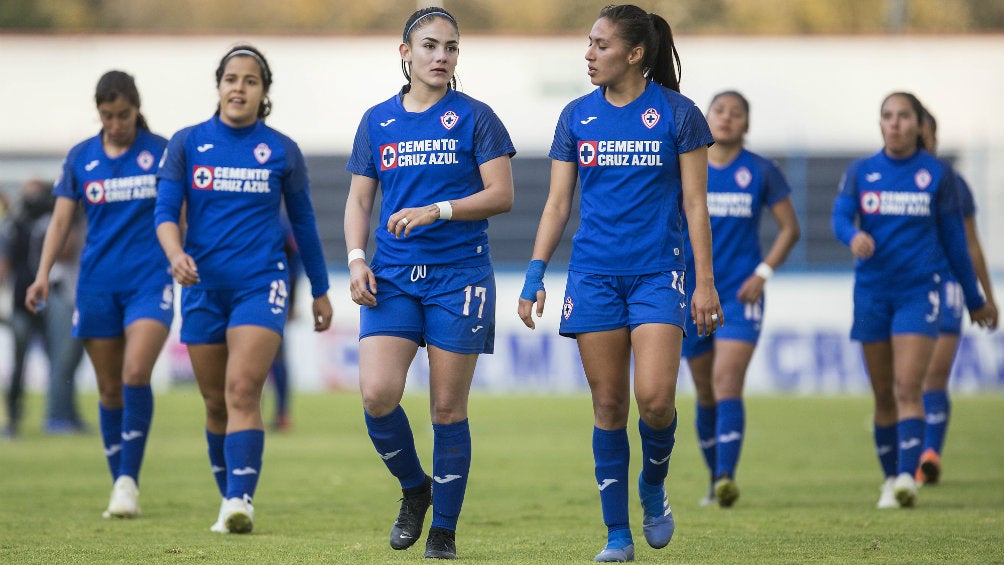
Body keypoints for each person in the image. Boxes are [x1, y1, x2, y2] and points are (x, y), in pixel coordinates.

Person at [518, 5, 721, 561]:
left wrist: (705, 283)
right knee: (608, 406)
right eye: (589, 43)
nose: (588, 54)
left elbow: (697, 204)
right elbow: (559, 203)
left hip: (660, 273)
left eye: (601, 45)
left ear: (635, 54)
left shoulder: (678, 115)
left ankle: (652, 488)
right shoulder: (575, 117)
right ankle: (617, 536)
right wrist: (535, 275)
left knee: (654, 402)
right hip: (594, 276)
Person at [344, 6, 515, 559]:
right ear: (406, 54)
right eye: (430, 46)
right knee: (377, 395)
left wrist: (437, 209)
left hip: (459, 276)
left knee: (447, 408)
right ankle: (415, 490)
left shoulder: (475, 117)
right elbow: (359, 198)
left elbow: (501, 195)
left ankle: (444, 530)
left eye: (451, 48)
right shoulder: (377, 121)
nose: (441, 56)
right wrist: (354, 259)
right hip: (391, 275)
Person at [154, 44, 332, 534]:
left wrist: (319, 289)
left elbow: (305, 224)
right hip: (202, 288)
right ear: (218, 86)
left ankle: (239, 499)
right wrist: (175, 255)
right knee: (214, 403)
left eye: (250, 81)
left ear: (264, 92)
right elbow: (165, 212)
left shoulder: (281, 150)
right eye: (231, 78)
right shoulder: (187, 143)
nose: (239, 87)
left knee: (242, 389)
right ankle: (229, 496)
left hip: (262, 284)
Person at [831, 92, 994, 509]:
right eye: (887, 116)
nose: (895, 123)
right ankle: (890, 478)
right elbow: (839, 215)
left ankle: (907, 476)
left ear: (918, 124)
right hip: (871, 294)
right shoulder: (861, 171)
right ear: (880, 123)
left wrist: (976, 297)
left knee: (909, 387)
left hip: (918, 294)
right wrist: (854, 236)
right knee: (883, 394)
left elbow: (957, 242)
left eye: (904, 116)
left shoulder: (937, 175)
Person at [25, 70, 170, 518]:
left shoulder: (162, 152)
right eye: (106, 115)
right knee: (108, 390)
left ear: (136, 109)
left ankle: (128, 480)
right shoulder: (81, 158)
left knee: (134, 374)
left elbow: (179, 211)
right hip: (97, 284)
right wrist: (42, 274)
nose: (115, 124)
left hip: (150, 280)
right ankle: (120, 484)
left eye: (122, 114)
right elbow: (62, 221)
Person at [684, 90, 801, 509]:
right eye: (720, 111)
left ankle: (725, 478)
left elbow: (790, 228)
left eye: (737, 114)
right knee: (704, 391)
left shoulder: (761, 170)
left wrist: (763, 272)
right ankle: (713, 479)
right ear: (707, 117)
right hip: (694, 293)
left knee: (726, 381)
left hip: (739, 294)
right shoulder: (686, 165)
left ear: (746, 125)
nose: (727, 118)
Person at [915, 108, 998, 485]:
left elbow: (971, 243)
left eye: (925, 132)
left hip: (945, 286)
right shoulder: (878, 177)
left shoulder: (950, 182)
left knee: (933, 377)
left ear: (932, 137)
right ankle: (910, 454)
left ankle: (928, 454)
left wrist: (985, 295)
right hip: (901, 290)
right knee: (905, 383)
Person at [1, 179, 86, 439]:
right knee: (27, 363)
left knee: (59, 360)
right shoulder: (15, 226)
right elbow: (4, 267)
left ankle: (62, 414)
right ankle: (19, 418)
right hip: (25, 302)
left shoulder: (32, 224)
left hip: (44, 298)